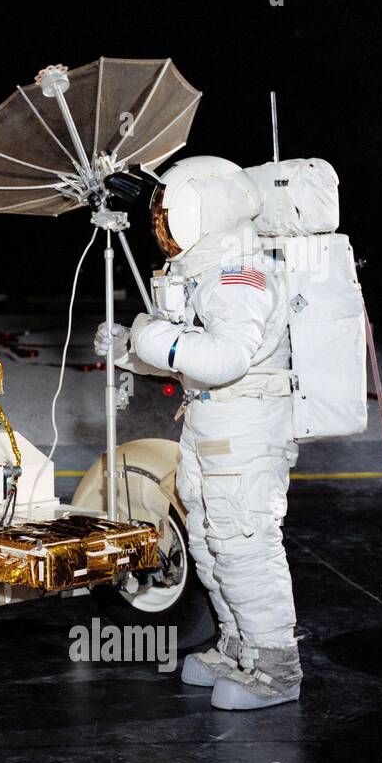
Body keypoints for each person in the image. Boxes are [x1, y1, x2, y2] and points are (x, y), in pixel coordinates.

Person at [95, 156, 301, 710]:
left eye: (168, 215)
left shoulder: (240, 277)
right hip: (212, 423)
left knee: (243, 543)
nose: (161, 228)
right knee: (209, 541)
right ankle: (238, 647)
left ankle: (277, 667)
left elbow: (226, 359)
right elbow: (190, 358)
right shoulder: (205, 275)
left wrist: (152, 338)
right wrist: (129, 349)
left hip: (245, 425)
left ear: (204, 211)